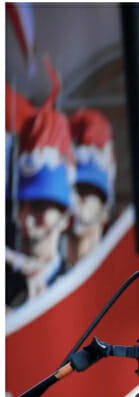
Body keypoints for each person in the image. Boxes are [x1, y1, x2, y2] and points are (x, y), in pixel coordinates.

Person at [6, 105, 74, 308]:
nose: (26, 219)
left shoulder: (73, 285)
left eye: (39, 207)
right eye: (22, 206)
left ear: (65, 218)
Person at [67, 108, 116, 266]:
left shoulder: (122, 281)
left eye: (84, 190)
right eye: (68, 190)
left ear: (105, 211)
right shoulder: (43, 284)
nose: (73, 200)